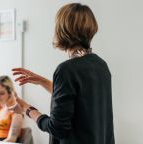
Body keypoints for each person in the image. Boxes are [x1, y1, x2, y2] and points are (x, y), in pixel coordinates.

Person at [11, 3, 115, 144]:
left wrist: (27, 109)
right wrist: (43, 82)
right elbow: (79, 101)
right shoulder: (101, 65)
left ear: (63, 30)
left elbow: (57, 128)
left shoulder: (67, 70)